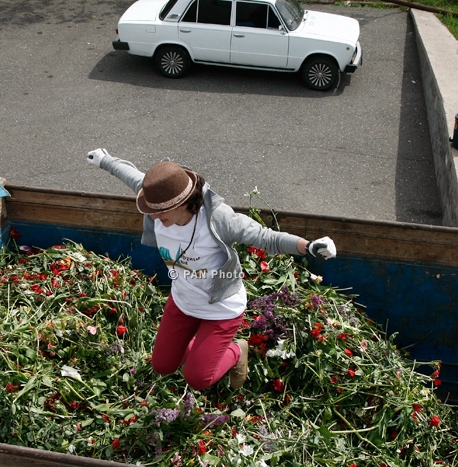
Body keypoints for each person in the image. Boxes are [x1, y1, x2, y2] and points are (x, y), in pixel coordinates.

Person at [86, 149, 336, 390]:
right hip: (183, 301)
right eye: (151, 210)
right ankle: (203, 349)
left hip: (221, 307)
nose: (153, 217)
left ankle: (237, 351)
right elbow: (130, 174)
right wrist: (104, 160)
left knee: (197, 378)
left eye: (159, 211)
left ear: (183, 202)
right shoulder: (156, 198)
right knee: (163, 365)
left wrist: (310, 246)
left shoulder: (218, 219)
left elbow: (266, 237)